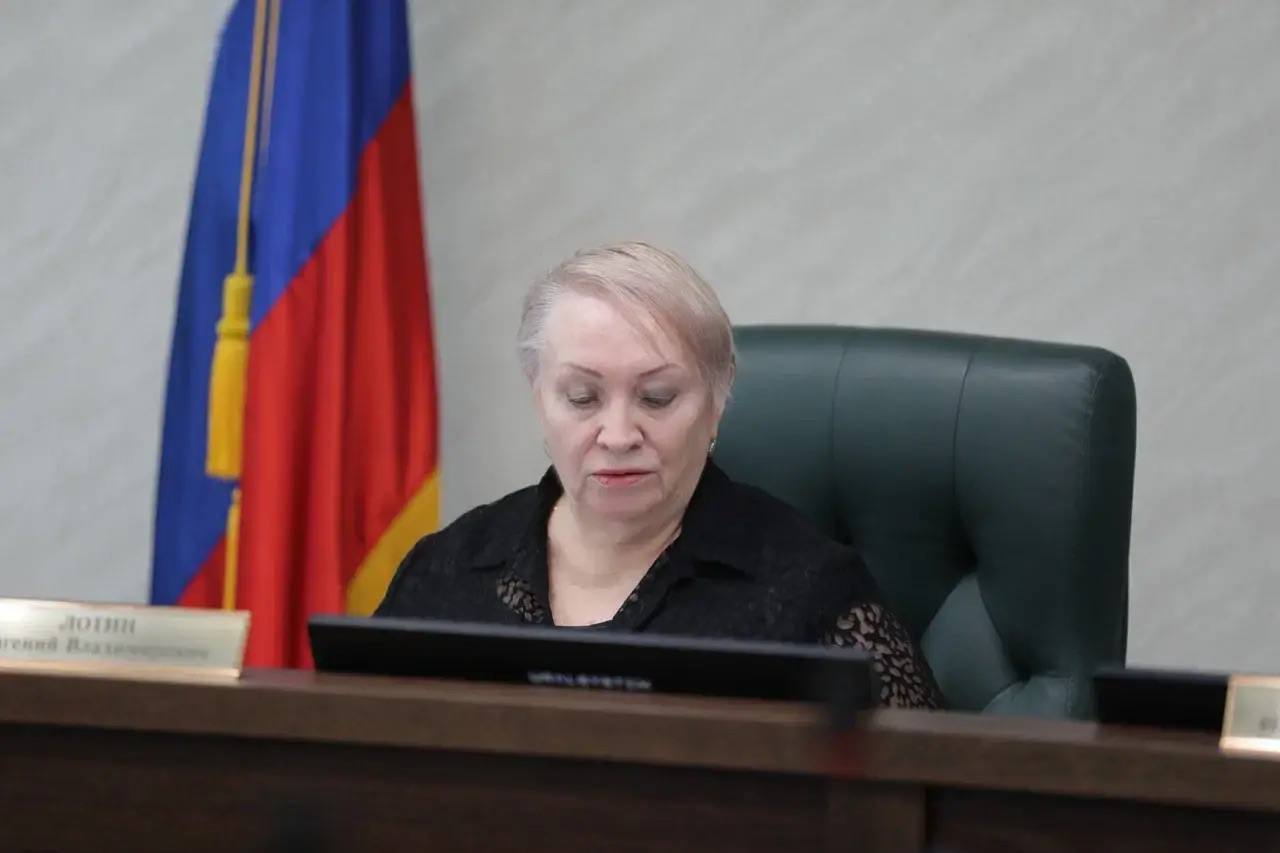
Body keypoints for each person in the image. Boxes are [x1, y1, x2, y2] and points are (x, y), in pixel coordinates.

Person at [377, 242, 942, 708]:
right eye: (582, 397)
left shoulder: (811, 590)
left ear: (718, 401)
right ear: (538, 398)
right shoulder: (447, 570)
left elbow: (928, 787)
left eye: (657, 397)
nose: (619, 434)